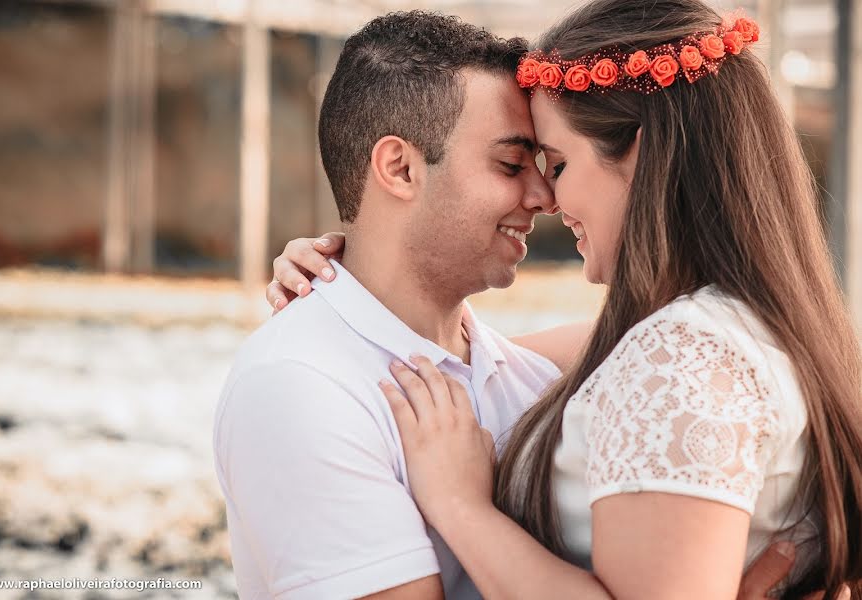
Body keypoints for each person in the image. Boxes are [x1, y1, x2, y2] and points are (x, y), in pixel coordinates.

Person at [223, 8, 843, 600]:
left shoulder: (585, 368)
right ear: (401, 169)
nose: (544, 194)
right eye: (513, 162)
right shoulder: (301, 384)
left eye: (554, 163)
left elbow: (669, 353)